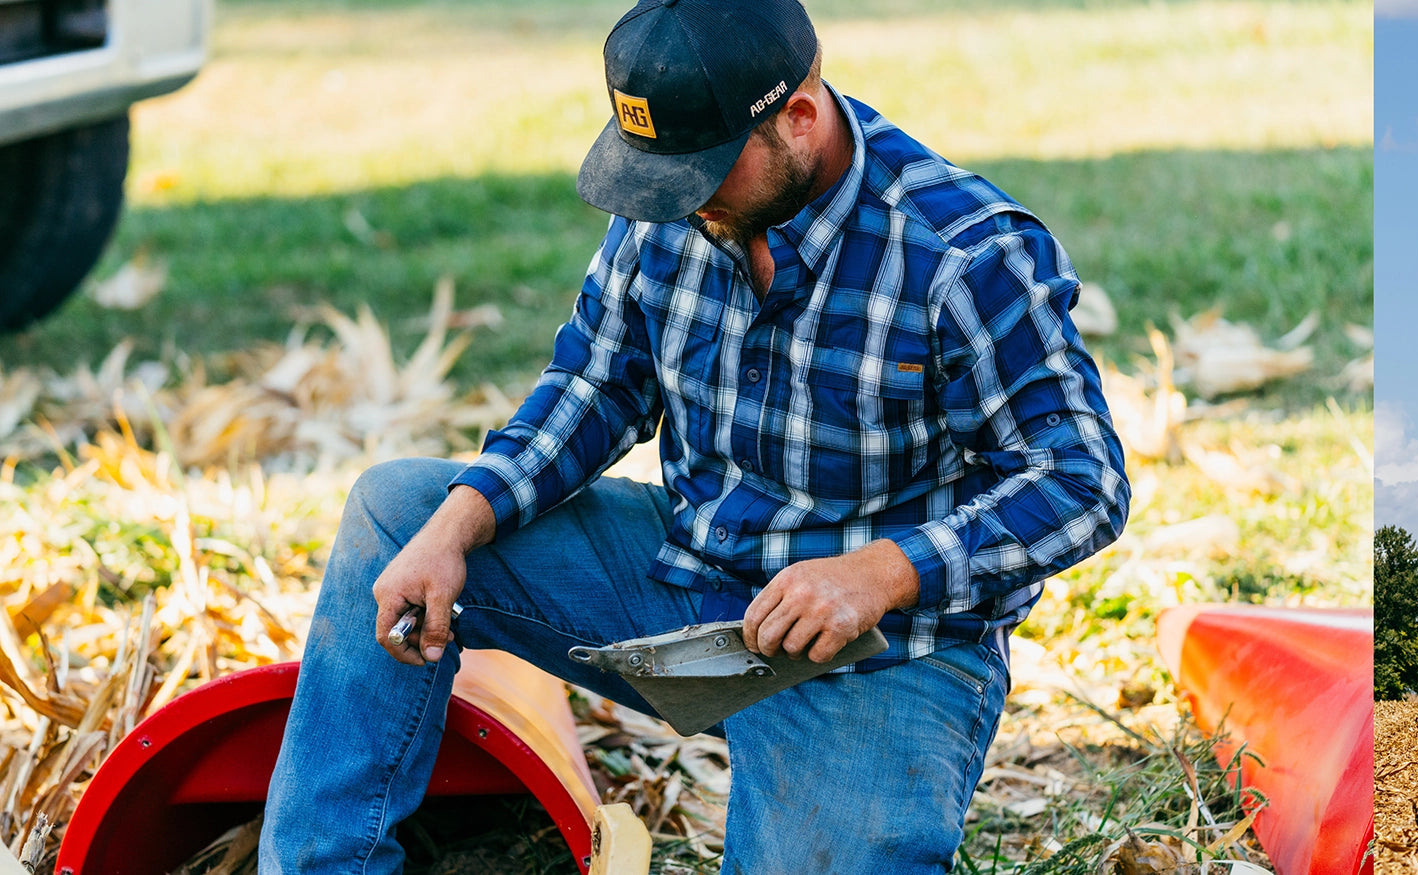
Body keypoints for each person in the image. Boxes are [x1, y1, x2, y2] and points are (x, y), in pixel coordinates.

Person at [256, 0, 1129, 871]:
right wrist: (455, 528)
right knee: (399, 513)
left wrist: (881, 572)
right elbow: (595, 386)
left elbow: (1083, 481)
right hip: (689, 573)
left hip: (878, 650)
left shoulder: (963, 254)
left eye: (704, 171)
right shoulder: (676, 200)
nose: (679, 201)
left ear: (798, 115)